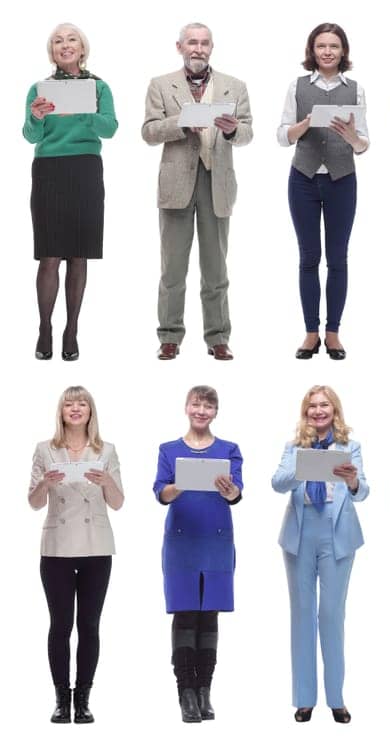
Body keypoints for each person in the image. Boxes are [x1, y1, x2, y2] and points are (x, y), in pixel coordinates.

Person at [142, 23, 253, 362]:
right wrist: (180, 124)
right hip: (176, 185)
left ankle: (218, 337)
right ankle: (169, 336)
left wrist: (234, 130)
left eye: (204, 43)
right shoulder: (161, 84)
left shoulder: (235, 86)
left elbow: (248, 132)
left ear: (212, 47)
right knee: (172, 269)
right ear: (180, 46)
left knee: (216, 269)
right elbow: (148, 132)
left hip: (216, 182)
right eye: (192, 42)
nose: (198, 49)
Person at [270, 385, 368, 723]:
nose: (318, 411)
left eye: (324, 405)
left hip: (337, 534)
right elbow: (277, 483)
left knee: (330, 615)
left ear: (334, 409)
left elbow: (362, 492)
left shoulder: (349, 447)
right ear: (305, 411)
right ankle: (304, 699)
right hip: (300, 535)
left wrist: (353, 480)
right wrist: (303, 468)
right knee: (301, 615)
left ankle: (337, 699)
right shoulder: (294, 446)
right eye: (312, 406)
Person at [29, 386, 124, 723]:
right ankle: (60, 699)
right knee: (60, 625)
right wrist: (46, 483)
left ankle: (83, 699)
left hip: (96, 547)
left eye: (81, 403)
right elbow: (34, 502)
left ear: (91, 411)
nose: (75, 408)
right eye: (69, 403)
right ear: (61, 411)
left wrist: (106, 480)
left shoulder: (107, 450)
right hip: (56, 548)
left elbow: (118, 502)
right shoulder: (45, 450)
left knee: (89, 625)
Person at [24, 23, 116, 361]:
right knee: (49, 254)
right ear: (53, 51)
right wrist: (36, 117)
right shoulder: (39, 88)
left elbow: (111, 128)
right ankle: (45, 326)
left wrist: (85, 111)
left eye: (71, 39)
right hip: (49, 170)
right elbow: (31, 135)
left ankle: (71, 328)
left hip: (86, 170)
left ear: (82, 47)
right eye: (58, 41)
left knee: (78, 253)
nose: (65, 45)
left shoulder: (99, 87)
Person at [153, 384, 243, 723]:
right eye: (196, 404)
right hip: (181, 539)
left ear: (215, 412)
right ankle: (185, 692)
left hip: (217, 539)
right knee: (185, 613)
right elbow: (161, 493)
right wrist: (181, 484)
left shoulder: (229, 450)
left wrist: (231, 489)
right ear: (186, 407)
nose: (201, 410)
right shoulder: (169, 450)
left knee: (210, 616)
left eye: (208, 406)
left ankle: (206, 690)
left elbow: (236, 494)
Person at [278, 24, 368, 360]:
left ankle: (333, 333)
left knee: (338, 258)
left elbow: (364, 144)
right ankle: (310, 332)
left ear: (343, 51)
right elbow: (281, 134)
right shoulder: (297, 86)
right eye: (321, 46)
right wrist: (304, 125)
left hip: (342, 179)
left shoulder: (355, 89)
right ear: (312, 51)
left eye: (333, 46)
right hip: (303, 177)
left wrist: (351, 137)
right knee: (308, 258)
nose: (327, 51)